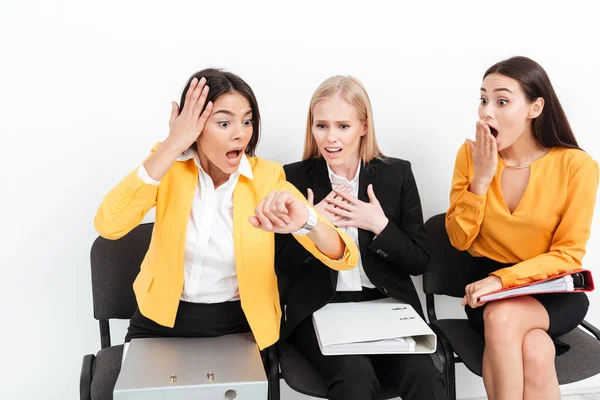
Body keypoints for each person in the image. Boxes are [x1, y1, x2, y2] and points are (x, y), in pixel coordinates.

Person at [94, 69, 358, 358]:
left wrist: (307, 223)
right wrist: (172, 145)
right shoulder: (168, 167)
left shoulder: (267, 177)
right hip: (159, 320)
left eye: (247, 121)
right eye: (224, 122)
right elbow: (109, 225)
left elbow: (344, 258)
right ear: (194, 128)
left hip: (240, 324)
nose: (240, 134)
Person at [276, 75, 446, 400]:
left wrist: (381, 226)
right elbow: (281, 265)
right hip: (321, 309)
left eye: (343, 126)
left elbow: (419, 261)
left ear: (364, 126)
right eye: (321, 126)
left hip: (386, 306)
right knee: (355, 379)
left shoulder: (396, 174)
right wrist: (312, 224)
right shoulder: (293, 177)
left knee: (424, 375)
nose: (330, 137)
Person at [446, 56, 598, 400]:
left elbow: (567, 253)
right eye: (483, 99)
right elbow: (458, 239)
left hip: (553, 289)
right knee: (537, 351)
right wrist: (481, 181)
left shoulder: (577, 166)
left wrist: (502, 280)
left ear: (535, 107)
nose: (486, 111)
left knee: (503, 319)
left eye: (502, 101)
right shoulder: (471, 157)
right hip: (487, 285)